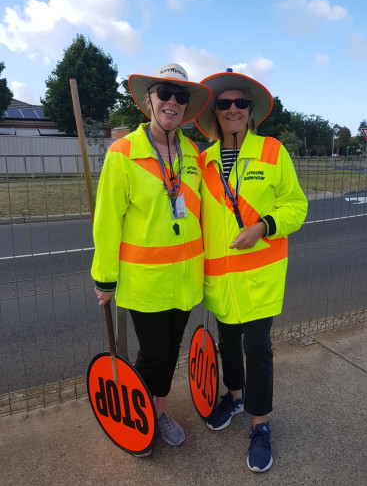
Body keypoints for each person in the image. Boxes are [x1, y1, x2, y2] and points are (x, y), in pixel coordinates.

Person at [91, 63, 211, 454]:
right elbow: (107, 222)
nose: (172, 102)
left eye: (180, 96)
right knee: (153, 353)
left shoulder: (192, 153)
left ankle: (158, 414)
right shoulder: (122, 154)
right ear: (149, 101)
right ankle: (137, 418)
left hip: (185, 279)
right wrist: (105, 279)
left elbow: (204, 214)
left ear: (186, 107)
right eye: (164, 93)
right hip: (145, 283)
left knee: (171, 350)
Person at [194, 69, 308, 472]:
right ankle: (235, 395)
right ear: (214, 112)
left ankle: (260, 424)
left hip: (260, 277)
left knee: (257, 349)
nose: (232, 109)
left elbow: (296, 206)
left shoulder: (274, 151)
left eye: (240, 102)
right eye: (224, 104)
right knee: (228, 343)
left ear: (251, 110)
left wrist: (263, 226)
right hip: (220, 280)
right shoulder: (202, 160)